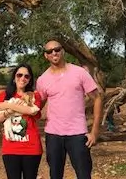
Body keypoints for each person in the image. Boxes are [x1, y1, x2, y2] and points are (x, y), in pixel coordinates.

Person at [36, 40, 103, 179]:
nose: (54, 53)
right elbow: (37, 106)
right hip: (53, 135)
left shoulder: (79, 73)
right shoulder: (42, 80)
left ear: (63, 51)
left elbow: (97, 98)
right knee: (55, 175)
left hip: (77, 134)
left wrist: (95, 132)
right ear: (45, 56)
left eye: (57, 49)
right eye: (49, 51)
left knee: (84, 175)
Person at [0, 63, 43, 179]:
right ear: (14, 78)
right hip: (10, 148)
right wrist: (9, 111)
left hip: (31, 148)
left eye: (26, 76)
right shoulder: (3, 95)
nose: (22, 78)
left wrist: (6, 105)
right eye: (19, 75)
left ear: (30, 80)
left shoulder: (34, 96)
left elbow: (32, 111)